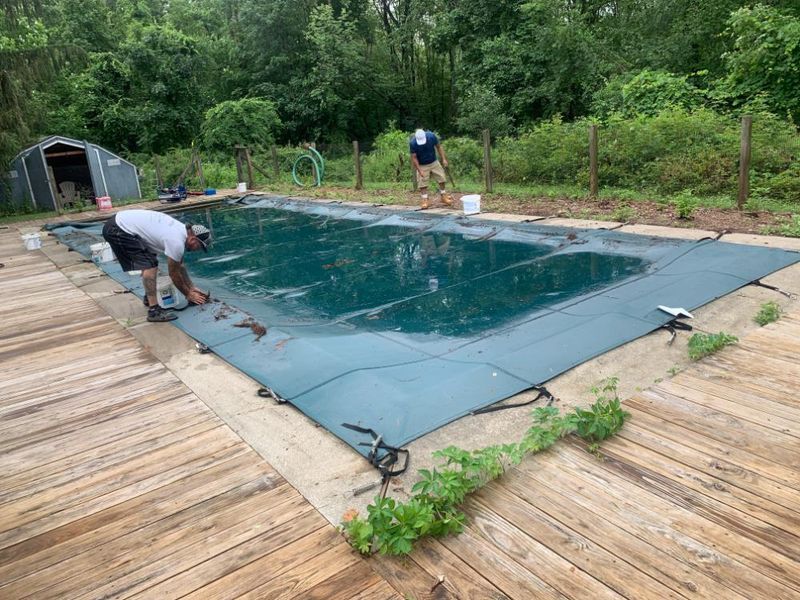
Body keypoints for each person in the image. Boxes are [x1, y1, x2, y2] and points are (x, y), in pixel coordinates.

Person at [102, 209, 211, 322]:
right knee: (151, 266)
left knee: (150, 261)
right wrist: (188, 294)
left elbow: (180, 265)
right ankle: (154, 311)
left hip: (120, 224)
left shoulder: (181, 231)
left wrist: (192, 287)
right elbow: (173, 274)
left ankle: (149, 299)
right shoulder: (176, 241)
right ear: (193, 239)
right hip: (119, 229)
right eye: (199, 247)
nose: (197, 250)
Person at [409, 129, 452, 210]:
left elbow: (439, 147)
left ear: (425, 136)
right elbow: (414, 158)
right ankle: (424, 199)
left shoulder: (431, 136)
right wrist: (419, 170)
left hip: (433, 161)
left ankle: (443, 196)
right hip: (422, 164)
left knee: (442, 178)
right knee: (422, 182)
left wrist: (443, 159)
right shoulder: (413, 143)